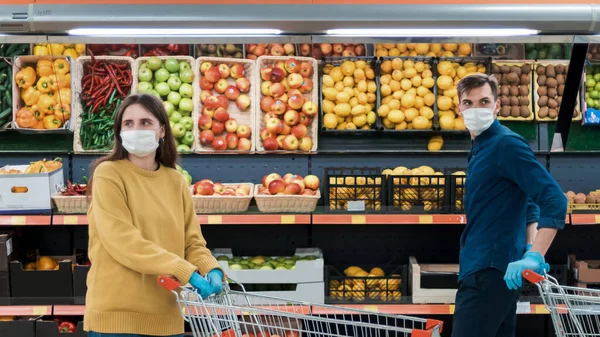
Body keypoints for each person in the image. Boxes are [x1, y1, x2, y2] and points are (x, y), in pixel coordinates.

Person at [84, 94, 224, 337]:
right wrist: (183, 269)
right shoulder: (108, 174)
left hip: (166, 317)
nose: (136, 129)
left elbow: (192, 242)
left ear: (161, 131)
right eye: (128, 124)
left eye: (145, 122)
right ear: (119, 133)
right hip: (116, 319)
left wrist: (211, 268)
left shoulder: (176, 180)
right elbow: (123, 241)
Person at [451, 74, 567, 337]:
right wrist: (528, 242)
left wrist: (536, 254)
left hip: (488, 272)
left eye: (484, 101)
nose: (476, 109)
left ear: (497, 106)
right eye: (468, 103)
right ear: (459, 108)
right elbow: (527, 200)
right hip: (495, 271)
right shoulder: (482, 145)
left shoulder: (505, 144)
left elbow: (554, 199)